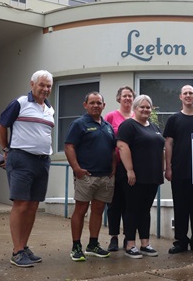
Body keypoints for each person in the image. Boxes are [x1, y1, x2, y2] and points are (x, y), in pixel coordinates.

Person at [0, 70, 54, 268]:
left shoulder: (49, 108)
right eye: (42, 85)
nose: (45, 89)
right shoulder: (20, 103)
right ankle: (17, 251)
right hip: (21, 159)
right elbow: (0, 126)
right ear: (32, 84)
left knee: (33, 205)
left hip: (42, 161)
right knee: (21, 204)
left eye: (49, 86)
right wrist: (6, 151)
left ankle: (24, 246)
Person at [65, 92, 116, 262]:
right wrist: (77, 169)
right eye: (92, 102)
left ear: (104, 105)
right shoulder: (79, 124)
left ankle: (93, 245)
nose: (95, 105)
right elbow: (69, 147)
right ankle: (76, 246)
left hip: (105, 177)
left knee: (99, 209)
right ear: (85, 105)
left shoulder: (108, 126)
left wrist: (113, 168)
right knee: (81, 209)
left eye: (98, 103)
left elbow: (112, 150)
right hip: (86, 176)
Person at [117, 94, 165, 259]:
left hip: (152, 177)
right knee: (132, 209)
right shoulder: (128, 125)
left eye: (148, 107)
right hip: (134, 177)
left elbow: (161, 150)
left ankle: (145, 243)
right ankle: (130, 244)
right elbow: (122, 146)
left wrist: (163, 169)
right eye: (142, 107)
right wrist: (130, 170)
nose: (145, 109)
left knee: (145, 210)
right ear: (135, 108)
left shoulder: (154, 127)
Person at [164, 85, 193, 254]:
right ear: (180, 97)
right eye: (185, 93)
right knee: (180, 208)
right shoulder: (174, 119)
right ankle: (180, 241)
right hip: (179, 170)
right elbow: (168, 143)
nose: (188, 96)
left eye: (191, 93)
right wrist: (168, 168)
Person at [105, 86, 136, 251]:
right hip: (115, 167)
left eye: (130, 96)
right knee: (114, 204)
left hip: (132, 167)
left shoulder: (137, 116)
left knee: (130, 205)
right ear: (119, 98)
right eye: (124, 96)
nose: (127, 99)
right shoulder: (111, 116)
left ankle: (128, 237)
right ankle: (114, 237)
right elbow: (105, 139)